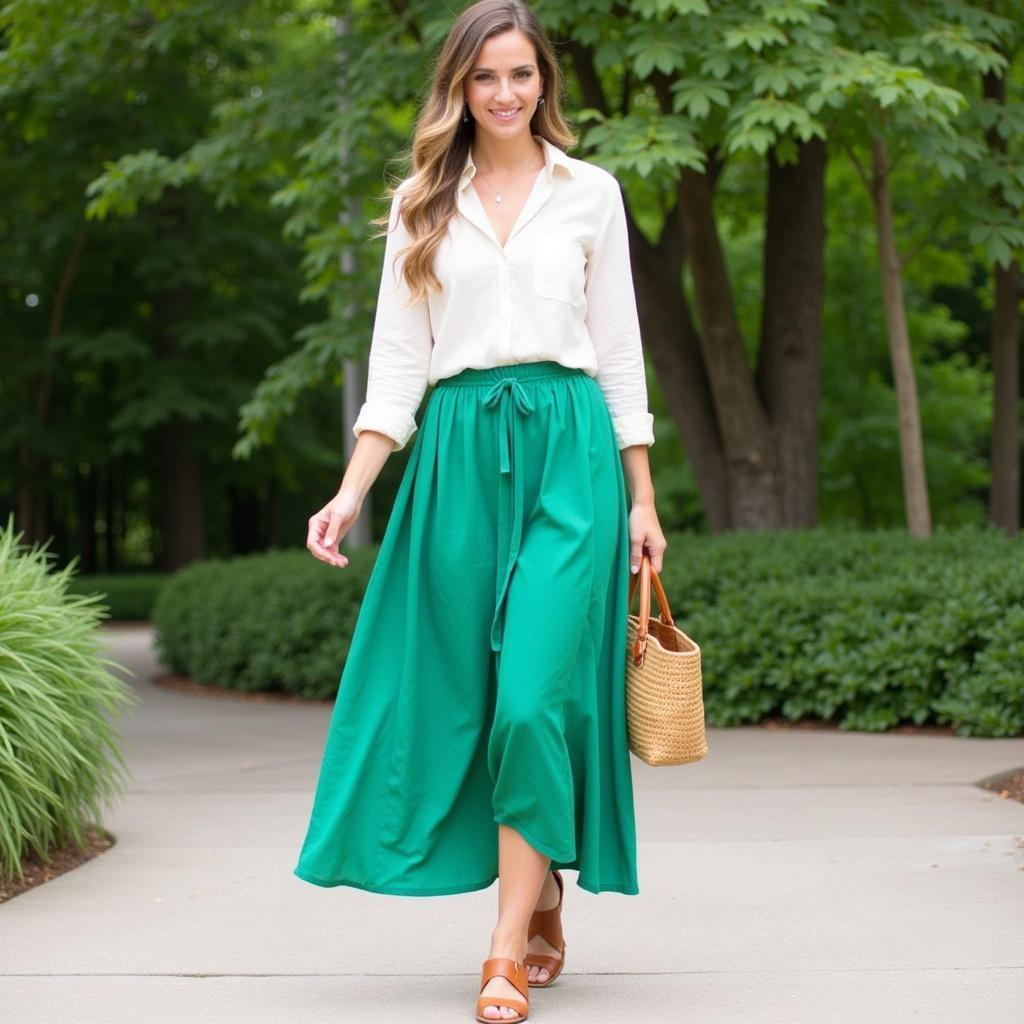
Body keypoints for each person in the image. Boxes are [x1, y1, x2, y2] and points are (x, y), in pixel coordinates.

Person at [294, 1, 667, 1020]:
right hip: (456, 455)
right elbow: (398, 366)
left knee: (531, 698)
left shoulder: (590, 194)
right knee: (462, 691)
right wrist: (351, 490)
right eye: (485, 77)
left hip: (567, 452)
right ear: (458, 88)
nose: (506, 94)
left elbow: (621, 351)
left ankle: (503, 949)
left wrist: (641, 495)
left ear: (545, 80)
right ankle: (541, 889)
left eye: (521, 74)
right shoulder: (423, 201)